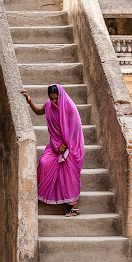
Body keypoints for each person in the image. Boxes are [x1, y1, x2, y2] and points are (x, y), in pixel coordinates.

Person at [20, 84, 84, 216]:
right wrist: (29, 100)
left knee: (68, 173)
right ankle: (39, 196)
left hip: (68, 146)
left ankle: (74, 207)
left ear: (60, 96)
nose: (54, 101)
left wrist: (65, 145)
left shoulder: (69, 108)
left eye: (56, 98)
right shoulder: (49, 104)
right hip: (53, 146)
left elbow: (75, 130)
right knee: (44, 163)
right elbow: (38, 111)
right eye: (52, 98)